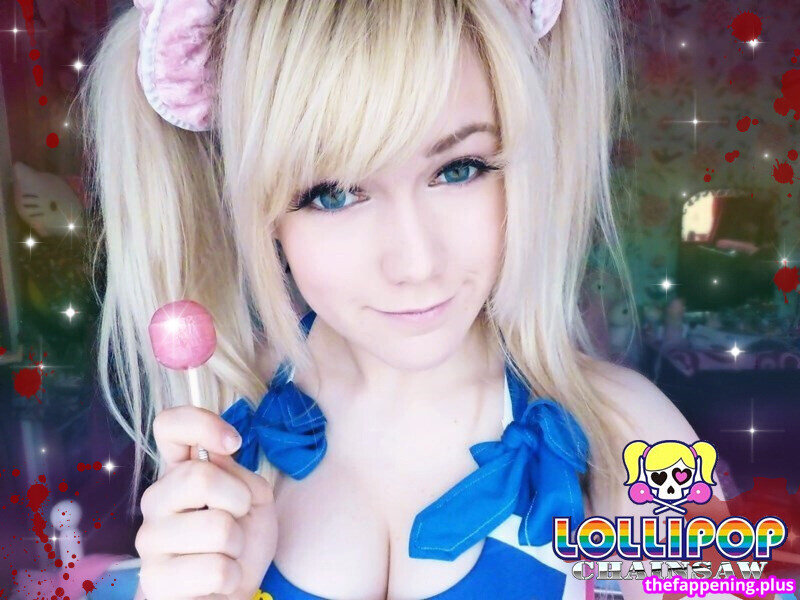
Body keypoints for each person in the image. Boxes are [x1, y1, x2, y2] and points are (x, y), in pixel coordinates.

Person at [80, 1, 727, 598]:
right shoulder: (222, 428)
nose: (416, 263)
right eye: (334, 193)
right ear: (258, 207)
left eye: (458, 169)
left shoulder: (635, 439)